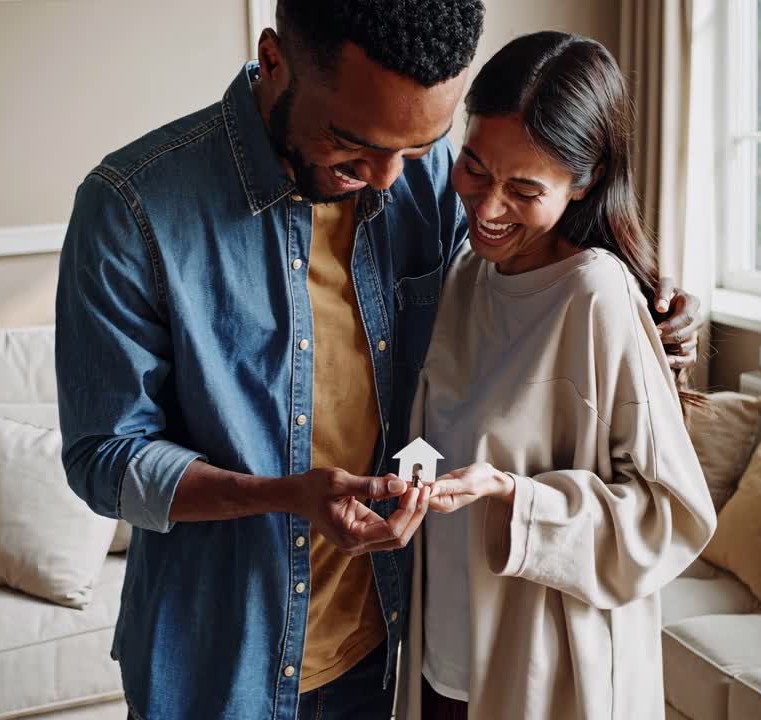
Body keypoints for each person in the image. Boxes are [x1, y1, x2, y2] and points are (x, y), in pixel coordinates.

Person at [55, 2, 703, 717]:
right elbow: (104, 459)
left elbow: (521, 291)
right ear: (275, 60)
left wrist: (648, 301)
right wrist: (285, 495)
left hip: (383, 656)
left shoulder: (427, 187)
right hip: (213, 664)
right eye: (353, 144)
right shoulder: (131, 206)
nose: (390, 180)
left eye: (423, 150)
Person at [399, 32, 718, 720]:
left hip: (547, 670)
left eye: (523, 189)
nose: (485, 209)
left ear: (586, 179)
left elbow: (672, 515)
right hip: (441, 655)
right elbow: (440, 431)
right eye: (475, 169)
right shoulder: (465, 274)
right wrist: (407, 477)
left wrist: (516, 497)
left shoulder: (596, 296)